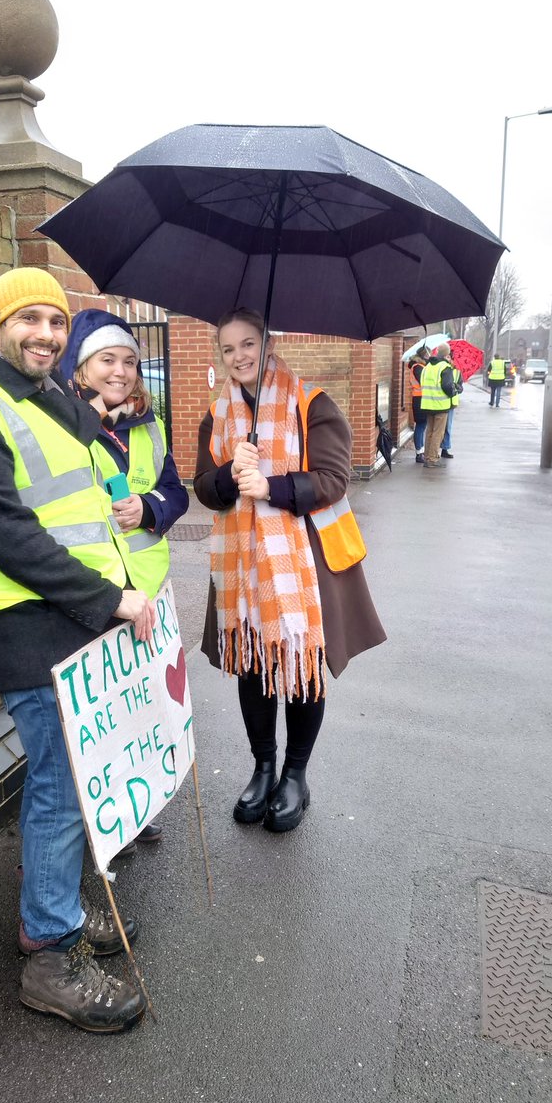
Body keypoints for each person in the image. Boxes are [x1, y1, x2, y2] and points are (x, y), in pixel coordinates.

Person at [0, 268, 156, 1035]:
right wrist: (112, 598)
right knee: (56, 788)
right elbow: (6, 533)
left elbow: (90, 499)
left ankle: (61, 911)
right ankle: (50, 953)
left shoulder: (53, 401)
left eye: (55, 320)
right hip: (33, 630)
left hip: (78, 629)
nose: (46, 333)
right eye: (29, 319)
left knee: (74, 786)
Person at [194, 308, 386, 833]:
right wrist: (233, 478)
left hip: (308, 563)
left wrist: (272, 487)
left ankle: (296, 775)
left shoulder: (312, 404)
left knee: (300, 664)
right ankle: (263, 767)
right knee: (255, 663)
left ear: (268, 343)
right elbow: (204, 488)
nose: (239, 357)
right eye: (229, 348)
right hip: (241, 566)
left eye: (248, 344)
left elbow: (333, 479)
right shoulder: (218, 415)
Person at [60, 309, 189, 853]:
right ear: (82, 367)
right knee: (101, 720)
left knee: (138, 707)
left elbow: (176, 491)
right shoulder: (63, 422)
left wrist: (151, 507)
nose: (120, 371)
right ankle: (101, 821)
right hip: (95, 597)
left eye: (129, 361)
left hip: (147, 594)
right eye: (107, 360)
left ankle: (133, 808)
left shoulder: (149, 425)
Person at [420, 342, 456, 468]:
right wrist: (454, 391)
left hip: (427, 403)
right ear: (447, 354)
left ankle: (426, 457)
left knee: (429, 431)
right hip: (440, 405)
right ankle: (433, 458)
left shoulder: (428, 366)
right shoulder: (445, 367)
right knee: (437, 432)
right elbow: (447, 386)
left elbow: (422, 383)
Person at [407, 346, 430, 463]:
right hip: (419, 398)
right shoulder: (418, 367)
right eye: (428, 353)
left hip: (420, 398)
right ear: (424, 355)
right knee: (420, 425)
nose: (430, 355)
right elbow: (424, 382)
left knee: (422, 425)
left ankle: (420, 451)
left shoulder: (420, 366)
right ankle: (419, 452)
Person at [440, 350, 464, 459]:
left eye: (450, 357)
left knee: (447, 427)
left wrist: (455, 387)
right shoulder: (442, 368)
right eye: (446, 357)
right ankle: (435, 449)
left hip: (451, 403)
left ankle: (445, 448)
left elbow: (460, 387)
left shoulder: (457, 372)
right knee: (438, 428)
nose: (448, 359)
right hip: (440, 402)